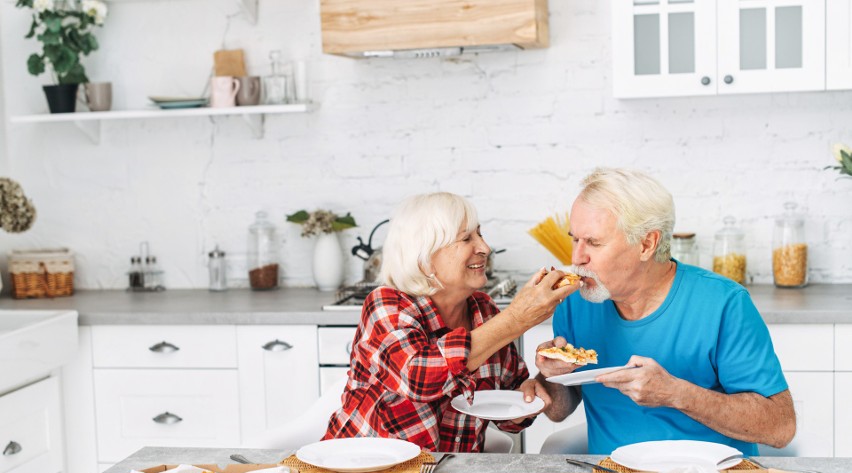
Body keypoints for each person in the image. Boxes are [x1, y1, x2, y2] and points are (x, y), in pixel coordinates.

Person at [522, 168, 796, 456]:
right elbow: (561, 407)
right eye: (574, 239)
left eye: (594, 242)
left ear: (646, 244)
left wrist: (676, 393)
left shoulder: (724, 304)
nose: (576, 258)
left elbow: (780, 427)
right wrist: (549, 378)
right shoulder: (575, 301)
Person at [323, 192, 575, 452]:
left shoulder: (483, 310)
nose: (485, 248)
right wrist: (516, 319)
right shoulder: (388, 305)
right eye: (467, 238)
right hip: (363, 469)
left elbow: (510, 402)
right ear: (425, 255)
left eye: (480, 234)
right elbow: (419, 378)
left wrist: (532, 392)